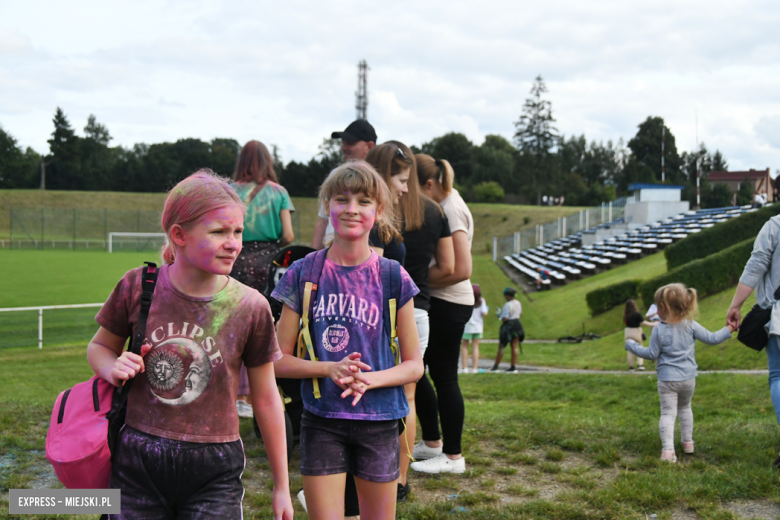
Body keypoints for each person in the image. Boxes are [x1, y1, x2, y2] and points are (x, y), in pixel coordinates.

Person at [87, 170, 293, 519]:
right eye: (218, 232)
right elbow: (99, 348)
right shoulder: (138, 286)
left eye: (238, 231)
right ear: (178, 235)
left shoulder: (251, 306)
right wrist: (111, 367)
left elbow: (266, 397)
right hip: (137, 461)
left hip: (215, 469)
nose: (234, 243)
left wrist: (282, 485)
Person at [271, 161, 423, 520]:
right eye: (341, 199)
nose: (352, 209)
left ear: (379, 210)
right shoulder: (303, 272)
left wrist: (369, 379)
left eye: (364, 201)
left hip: (381, 419)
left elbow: (414, 365)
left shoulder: (392, 276)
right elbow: (277, 359)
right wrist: (329, 369)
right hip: (322, 421)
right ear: (327, 205)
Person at [372, 142, 454, 500]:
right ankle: (397, 479)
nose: (406, 188)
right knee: (405, 396)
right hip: (410, 311)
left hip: (397, 314)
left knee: (400, 396)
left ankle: (395, 478)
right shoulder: (381, 218)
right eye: (401, 180)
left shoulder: (379, 220)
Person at [410, 154, 474, 475]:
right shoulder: (444, 203)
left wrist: (414, 277)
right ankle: (434, 443)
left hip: (450, 303)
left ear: (430, 185)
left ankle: (452, 456)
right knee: (420, 372)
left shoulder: (449, 208)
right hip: (439, 300)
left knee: (444, 376)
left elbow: (461, 268)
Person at [626, 283, 734, 463]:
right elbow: (713, 338)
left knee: (668, 413)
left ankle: (668, 451)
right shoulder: (690, 325)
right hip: (688, 379)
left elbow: (652, 354)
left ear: (662, 307)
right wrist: (729, 328)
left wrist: (632, 345)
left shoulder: (658, 329)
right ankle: (688, 442)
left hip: (667, 380)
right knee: (685, 407)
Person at [230, 140, 295, 418]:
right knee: (263, 326)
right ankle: (259, 394)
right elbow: (289, 236)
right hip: (268, 260)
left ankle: (236, 392)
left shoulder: (229, 191)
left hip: (235, 258)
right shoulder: (278, 192)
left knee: (234, 325)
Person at [728, 211, 780, 467]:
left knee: (778, 375)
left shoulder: (775, 226)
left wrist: (736, 305)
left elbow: (757, 264)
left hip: (777, 314)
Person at [312, 120, 377, 250]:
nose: (344, 147)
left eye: (351, 143)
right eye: (344, 143)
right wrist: (313, 260)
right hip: (328, 259)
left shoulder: (378, 182)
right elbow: (323, 220)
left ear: (369, 146)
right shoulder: (336, 175)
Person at [365, 142, 412, 265]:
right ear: (384, 178)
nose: (406, 189)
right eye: (402, 181)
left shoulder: (373, 219)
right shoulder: (374, 223)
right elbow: (371, 278)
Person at [490, 287, 524, 373]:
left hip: (509, 326)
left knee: (502, 346)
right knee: (514, 346)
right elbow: (519, 314)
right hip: (517, 324)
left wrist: (499, 316)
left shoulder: (507, 305)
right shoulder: (518, 303)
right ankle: (513, 367)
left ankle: (496, 366)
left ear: (507, 296)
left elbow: (505, 318)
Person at [623, 299, 657, 371]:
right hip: (636, 331)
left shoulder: (625, 315)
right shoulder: (637, 314)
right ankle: (640, 365)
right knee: (639, 347)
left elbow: (625, 323)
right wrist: (654, 323)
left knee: (630, 350)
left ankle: (631, 367)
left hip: (628, 331)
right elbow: (643, 322)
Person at [461, 284, 488, 373]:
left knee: (465, 346)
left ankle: (465, 368)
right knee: (475, 347)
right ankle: (475, 368)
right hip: (478, 327)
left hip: (468, 327)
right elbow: (485, 313)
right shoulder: (481, 300)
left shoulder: (466, 299)